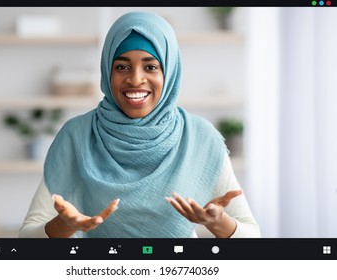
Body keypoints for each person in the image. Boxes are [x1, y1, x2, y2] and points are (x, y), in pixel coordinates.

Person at [19, 11, 261, 238]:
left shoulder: (200, 138)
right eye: (122, 67)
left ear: (169, 72)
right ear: (107, 71)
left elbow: (252, 236)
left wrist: (217, 222)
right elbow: (26, 235)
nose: (135, 79)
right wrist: (63, 225)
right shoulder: (78, 135)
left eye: (150, 66)